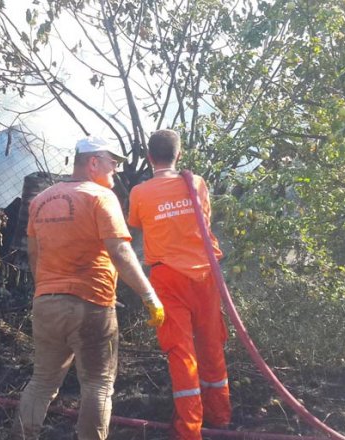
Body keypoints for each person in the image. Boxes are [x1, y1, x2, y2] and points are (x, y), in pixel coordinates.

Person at [12, 136, 165, 440]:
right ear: (93, 162)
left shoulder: (41, 200)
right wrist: (150, 296)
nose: (116, 170)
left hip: (46, 302)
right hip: (91, 303)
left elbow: (34, 253)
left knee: (42, 382)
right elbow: (119, 252)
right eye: (112, 162)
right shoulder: (100, 196)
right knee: (97, 384)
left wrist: (46, 289)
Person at [127, 129, 231, 439]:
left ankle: (189, 431)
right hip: (205, 275)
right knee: (212, 344)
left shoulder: (139, 193)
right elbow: (205, 220)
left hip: (167, 277)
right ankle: (220, 416)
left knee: (181, 351)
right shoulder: (196, 183)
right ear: (179, 154)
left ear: (148, 158)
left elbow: (136, 224)